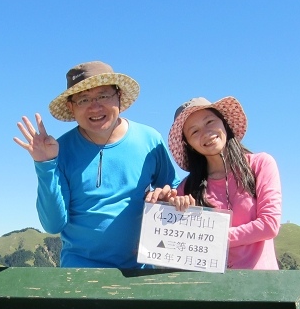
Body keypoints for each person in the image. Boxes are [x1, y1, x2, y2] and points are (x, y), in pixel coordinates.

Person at [14, 61, 180, 268]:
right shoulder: (59, 149)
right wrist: (45, 164)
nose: (95, 107)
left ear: (118, 96)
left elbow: (174, 188)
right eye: (83, 99)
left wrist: (168, 195)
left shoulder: (149, 139)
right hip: (80, 271)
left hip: (140, 269)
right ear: (71, 107)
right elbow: (53, 224)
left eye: (103, 96)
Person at [146, 96, 281, 270]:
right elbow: (178, 246)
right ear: (189, 145)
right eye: (194, 131)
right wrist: (169, 209)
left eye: (209, 122)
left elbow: (269, 225)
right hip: (211, 290)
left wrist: (211, 237)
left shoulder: (260, 164)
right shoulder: (186, 188)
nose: (206, 133)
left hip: (261, 288)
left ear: (224, 122)